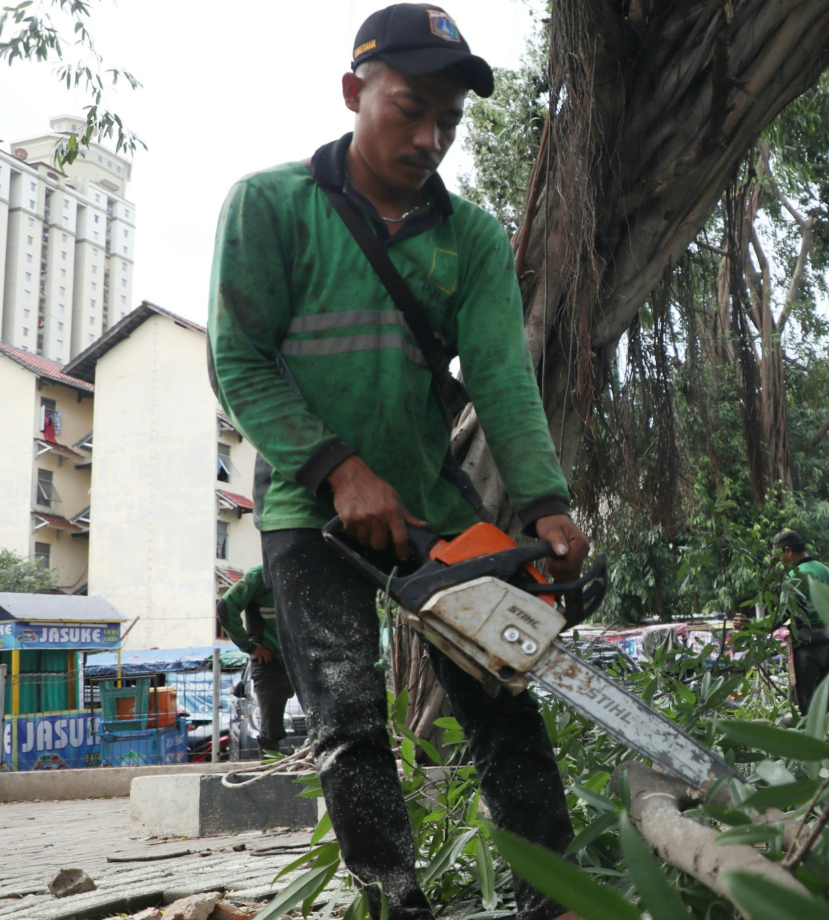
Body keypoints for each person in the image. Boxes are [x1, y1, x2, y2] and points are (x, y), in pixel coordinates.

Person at [207, 7, 588, 919]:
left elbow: (501, 378)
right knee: (347, 718)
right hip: (312, 509)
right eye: (410, 111)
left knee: (502, 695)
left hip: (434, 508)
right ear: (354, 93)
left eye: (449, 121)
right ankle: (394, 899)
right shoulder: (270, 207)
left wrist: (543, 501)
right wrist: (336, 468)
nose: (430, 138)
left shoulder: (474, 239)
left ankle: (555, 894)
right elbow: (239, 363)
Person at [216, 565, 294, 753]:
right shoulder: (258, 577)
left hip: (301, 658)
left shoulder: (304, 571)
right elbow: (225, 607)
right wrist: (249, 646)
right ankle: (270, 769)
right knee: (270, 727)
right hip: (270, 658)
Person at [772, 529, 829, 715]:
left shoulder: (794, 575)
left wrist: (750, 625)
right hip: (827, 646)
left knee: (808, 712)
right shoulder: (823, 570)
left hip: (806, 650)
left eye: (779, 557)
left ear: (788, 551)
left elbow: (781, 615)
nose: (780, 563)